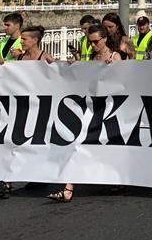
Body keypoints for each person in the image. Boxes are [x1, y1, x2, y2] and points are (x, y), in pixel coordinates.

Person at [48, 23, 122, 203]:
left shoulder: (115, 56)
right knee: (76, 143)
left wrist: (113, 69)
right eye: (90, 42)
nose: (93, 45)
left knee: (108, 145)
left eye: (96, 41)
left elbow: (122, 83)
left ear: (105, 39)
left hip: (108, 110)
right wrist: (74, 66)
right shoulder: (90, 57)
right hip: (90, 108)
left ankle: (116, 177)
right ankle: (68, 188)